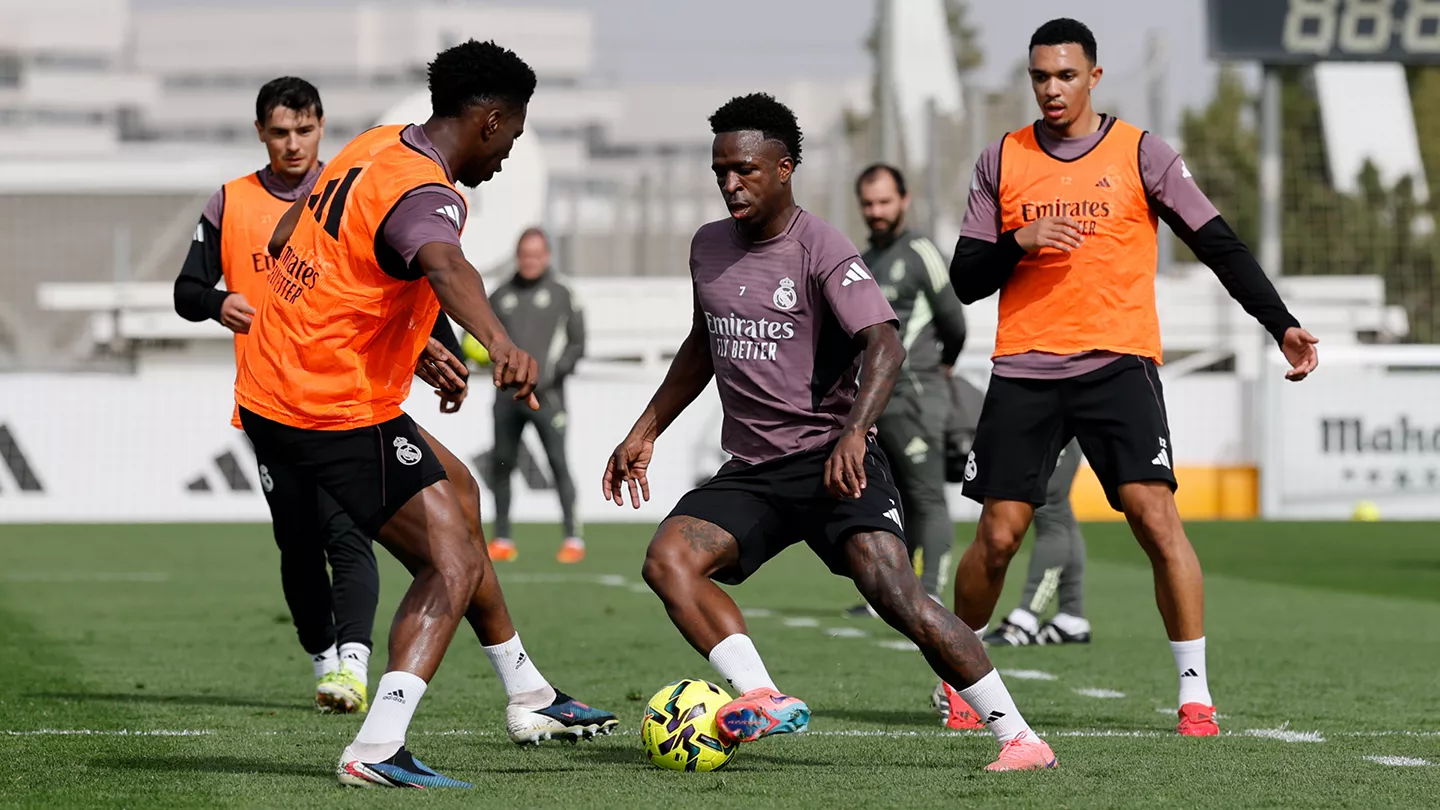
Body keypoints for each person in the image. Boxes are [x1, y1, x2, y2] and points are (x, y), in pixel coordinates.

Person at [603, 92, 1057, 772]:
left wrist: (854, 433)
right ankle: (762, 696)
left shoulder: (821, 247)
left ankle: (1020, 738)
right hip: (754, 472)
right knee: (668, 560)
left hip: (833, 462)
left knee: (898, 597)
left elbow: (885, 343)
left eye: (746, 169)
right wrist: (646, 429)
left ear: (785, 169)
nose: (731, 182)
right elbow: (703, 342)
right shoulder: (708, 247)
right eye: (720, 169)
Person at [234, 40, 617, 789]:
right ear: (491, 119)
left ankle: (528, 693)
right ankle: (376, 749)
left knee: (462, 496)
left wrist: (412, 345)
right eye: (512, 134)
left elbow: (290, 239)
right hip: (328, 405)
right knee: (451, 559)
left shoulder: (374, 147)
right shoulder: (430, 192)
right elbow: (444, 262)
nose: (509, 151)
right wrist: (499, 342)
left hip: (284, 386)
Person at [944, 18, 1319, 737]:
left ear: (1093, 77)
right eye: (1040, 77)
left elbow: (1218, 244)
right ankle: (958, 673)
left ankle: (1194, 694)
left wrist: (1281, 323)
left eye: (1065, 75)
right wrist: (1018, 242)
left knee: (1154, 517)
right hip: (1026, 367)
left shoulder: (1142, 153)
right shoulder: (1002, 159)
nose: (1052, 89)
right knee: (997, 536)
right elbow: (965, 280)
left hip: (1119, 363)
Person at [173, 77, 468, 714]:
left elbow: (407, 281)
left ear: (321, 128)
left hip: (345, 401)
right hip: (269, 398)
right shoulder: (230, 201)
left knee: (348, 533)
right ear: (260, 133)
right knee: (297, 542)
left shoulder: (351, 184)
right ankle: (323, 659)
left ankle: (353, 667)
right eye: (279, 132)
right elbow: (184, 291)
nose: (292, 144)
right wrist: (218, 299)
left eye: (303, 130)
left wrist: (431, 347)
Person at [845, 163, 967, 616]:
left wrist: (942, 365)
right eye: (868, 203)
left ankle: (930, 595)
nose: (876, 211)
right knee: (887, 500)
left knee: (926, 496)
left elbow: (954, 321)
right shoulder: (863, 260)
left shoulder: (920, 250)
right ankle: (890, 594)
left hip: (917, 394)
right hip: (873, 403)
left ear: (904, 200)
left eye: (884, 201)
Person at [476, 227, 586, 564]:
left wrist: (549, 376)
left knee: (558, 464)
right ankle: (503, 539)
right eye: (525, 255)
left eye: (536, 255)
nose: (530, 261)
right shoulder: (500, 294)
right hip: (507, 398)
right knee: (502, 466)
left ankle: (572, 538)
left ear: (547, 256)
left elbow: (578, 343)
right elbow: (482, 340)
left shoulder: (563, 292)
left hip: (547, 397)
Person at [982, 438, 1092, 646]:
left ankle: (1027, 618)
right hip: (1056, 426)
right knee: (1059, 512)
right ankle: (1071, 616)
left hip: (1054, 425)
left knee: (1050, 511)